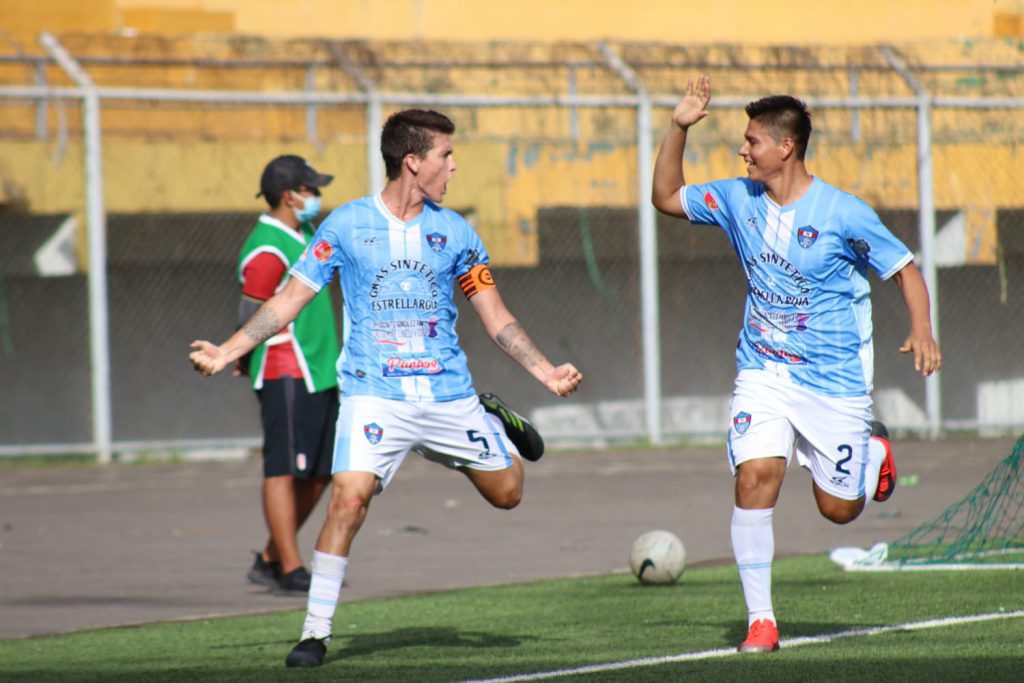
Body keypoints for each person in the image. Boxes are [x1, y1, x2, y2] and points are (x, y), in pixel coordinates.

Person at [190, 109, 582, 668]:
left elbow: (496, 316)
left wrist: (545, 371)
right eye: (446, 155)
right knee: (348, 499)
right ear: (413, 162)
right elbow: (289, 299)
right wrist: (227, 351)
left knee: (508, 494)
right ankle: (314, 634)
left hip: (447, 396)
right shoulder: (345, 226)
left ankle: (492, 420)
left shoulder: (457, 233)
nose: (454, 167)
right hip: (374, 395)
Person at [651, 76, 942, 653]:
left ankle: (872, 453)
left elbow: (904, 268)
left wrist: (922, 330)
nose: (742, 150)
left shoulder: (843, 212)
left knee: (839, 510)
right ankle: (761, 620)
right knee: (755, 477)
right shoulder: (738, 199)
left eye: (752, 141)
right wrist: (678, 127)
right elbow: (666, 197)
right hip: (763, 372)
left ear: (786, 147)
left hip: (834, 383)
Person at [239, 155, 340, 594]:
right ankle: (290, 567)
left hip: (320, 369)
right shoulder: (267, 246)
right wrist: (241, 356)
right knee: (282, 468)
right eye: (309, 189)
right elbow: (251, 311)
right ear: (289, 196)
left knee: (321, 471)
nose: (316, 196)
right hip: (286, 368)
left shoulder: (307, 233)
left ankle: (270, 557)